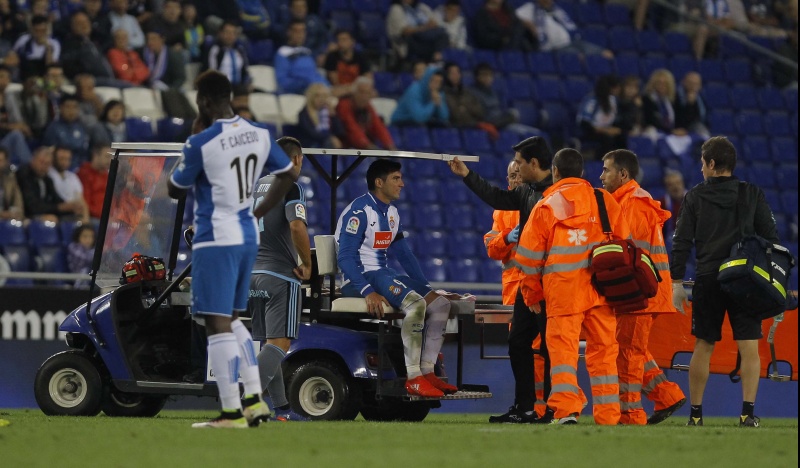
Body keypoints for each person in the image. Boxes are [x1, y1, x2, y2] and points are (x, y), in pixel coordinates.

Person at [168, 70, 298, 429]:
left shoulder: (202, 142)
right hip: (246, 236)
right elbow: (287, 173)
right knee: (234, 319)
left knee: (215, 321)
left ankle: (231, 413)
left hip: (215, 236)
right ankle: (254, 402)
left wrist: (194, 137)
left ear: (205, 102)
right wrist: (257, 211)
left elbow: (174, 189)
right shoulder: (258, 134)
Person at [670, 136, 778, 427]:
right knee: (749, 347)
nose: (701, 169)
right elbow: (771, 240)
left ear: (712, 164)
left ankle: (695, 416)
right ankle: (747, 414)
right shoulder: (752, 193)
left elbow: (681, 242)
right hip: (745, 280)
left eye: (703, 163)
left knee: (703, 345)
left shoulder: (694, 197)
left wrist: (676, 281)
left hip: (708, 279)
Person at [515, 148, 628, 425]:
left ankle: (566, 411)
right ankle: (609, 416)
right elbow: (624, 241)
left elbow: (529, 258)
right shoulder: (604, 201)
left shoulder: (547, 204)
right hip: (602, 291)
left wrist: (531, 293)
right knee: (604, 355)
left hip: (563, 293)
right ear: (581, 172)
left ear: (555, 171)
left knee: (563, 354)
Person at [447, 136, 553, 423]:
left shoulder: (556, 195)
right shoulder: (527, 194)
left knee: (549, 347)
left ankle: (554, 409)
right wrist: (467, 175)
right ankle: (526, 407)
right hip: (525, 284)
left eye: (519, 164)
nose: (515, 171)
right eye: (512, 168)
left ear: (533, 163)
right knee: (520, 343)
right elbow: (495, 198)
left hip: (552, 284)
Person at [335, 158, 457, 398]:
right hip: (360, 280)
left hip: (383, 274)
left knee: (441, 304)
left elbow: (404, 254)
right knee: (416, 304)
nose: (402, 184)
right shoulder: (359, 211)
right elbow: (345, 258)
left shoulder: (392, 213)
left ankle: (427, 371)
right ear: (379, 182)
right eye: (396, 178)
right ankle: (414, 378)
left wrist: (428, 288)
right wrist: (367, 290)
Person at [599, 149, 687, 425]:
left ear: (623, 174)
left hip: (639, 292)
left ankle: (631, 413)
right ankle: (666, 395)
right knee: (630, 350)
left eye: (606, 170)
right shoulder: (627, 201)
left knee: (628, 354)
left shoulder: (634, 204)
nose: (601, 176)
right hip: (638, 291)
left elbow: (628, 254)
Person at [249, 136, 312, 422]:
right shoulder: (291, 185)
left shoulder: (256, 186)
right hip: (278, 275)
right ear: (296, 158)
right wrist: (307, 264)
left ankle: (282, 410)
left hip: (253, 274)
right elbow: (297, 226)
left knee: (268, 345)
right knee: (280, 344)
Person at [515, 0, 612, 57]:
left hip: (573, 42)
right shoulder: (531, 8)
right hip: (556, 48)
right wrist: (530, 25)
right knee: (579, 57)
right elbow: (515, 17)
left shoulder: (557, 10)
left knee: (606, 54)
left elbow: (570, 25)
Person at [16, 146, 83, 222]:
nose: (44, 166)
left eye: (47, 164)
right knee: (51, 220)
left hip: (44, 213)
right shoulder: (24, 175)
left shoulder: (47, 179)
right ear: (33, 160)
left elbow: (56, 199)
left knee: (75, 219)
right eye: (41, 162)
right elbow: (32, 206)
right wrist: (59, 207)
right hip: (26, 216)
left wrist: (71, 207)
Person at [336, 76, 396, 150]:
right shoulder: (344, 105)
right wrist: (370, 147)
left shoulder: (368, 107)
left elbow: (378, 126)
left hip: (361, 146)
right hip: (345, 147)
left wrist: (390, 145)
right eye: (362, 92)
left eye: (368, 93)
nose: (364, 96)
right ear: (354, 92)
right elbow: (351, 128)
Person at [274, 19, 329, 95]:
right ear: (289, 32)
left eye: (303, 31)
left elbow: (315, 74)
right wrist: (304, 84)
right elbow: (282, 81)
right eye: (297, 31)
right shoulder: (283, 52)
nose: (300, 35)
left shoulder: (307, 51)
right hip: (300, 93)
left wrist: (326, 86)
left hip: (317, 90)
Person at [577, 74, 624, 158]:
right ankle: (601, 164)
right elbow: (584, 122)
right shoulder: (593, 100)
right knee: (606, 140)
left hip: (606, 130)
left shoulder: (614, 100)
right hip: (590, 131)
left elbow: (617, 119)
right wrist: (604, 130)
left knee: (622, 137)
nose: (619, 90)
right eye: (617, 87)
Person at [204, 20, 252, 93]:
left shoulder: (240, 50)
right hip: (222, 87)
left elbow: (245, 71)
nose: (230, 36)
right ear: (220, 33)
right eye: (227, 32)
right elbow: (212, 73)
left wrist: (248, 83)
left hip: (239, 87)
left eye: (233, 33)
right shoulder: (215, 50)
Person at [43, 94, 91, 164]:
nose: (71, 110)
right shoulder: (53, 128)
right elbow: (50, 151)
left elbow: (84, 152)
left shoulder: (82, 128)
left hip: (80, 167)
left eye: (74, 107)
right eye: (68, 107)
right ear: (61, 108)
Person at [0, 64, 33, 165]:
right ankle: (31, 168)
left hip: (6, 141)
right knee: (16, 135)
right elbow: (14, 126)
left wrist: (22, 127)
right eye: (1, 76)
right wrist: (11, 127)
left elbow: (19, 122)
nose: (4, 80)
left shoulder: (10, 98)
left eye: (7, 77)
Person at [48, 146, 89, 223]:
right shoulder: (48, 174)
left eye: (67, 159)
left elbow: (81, 201)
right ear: (54, 158)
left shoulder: (73, 177)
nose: (64, 162)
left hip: (74, 214)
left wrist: (86, 220)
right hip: (57, 213)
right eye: (61, 159)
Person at [12, 14, 60, 80]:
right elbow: (13, 57)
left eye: (43, 30)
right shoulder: (23, 40)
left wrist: (48, 48)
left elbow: (51, 66)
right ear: (32, 30)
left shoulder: (54, 43)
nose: (40, 33)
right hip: (24, 75)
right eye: (37, 31)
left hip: (43, 76)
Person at [296, 82, 342, 149]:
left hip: (327, 146)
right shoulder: (303, 114)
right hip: (311, 148)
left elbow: (340, 132)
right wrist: (330, 137)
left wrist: (333, 116)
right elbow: (313, 134)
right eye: (317, 96)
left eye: (324, 96)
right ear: (311, 97)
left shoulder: (328, 112)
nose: (321, 98)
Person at [77, 144, 111, 220]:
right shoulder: (84, 173)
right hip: (94, 218)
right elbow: (85, 202)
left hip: (107, 217)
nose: (109, 160)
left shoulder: (107, 175)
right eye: (107, 156)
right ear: (96, 155)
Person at [674, 71, 710, 138]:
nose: (693, 86)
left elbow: (704, 118)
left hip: (697, 128)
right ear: (684, 82)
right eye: (690, 83)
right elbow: (681, 118)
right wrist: (690, 105)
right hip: (680, 129)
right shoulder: (676, 96)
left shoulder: (701, 99)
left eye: (696, 84)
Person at [658, 168, 687, 238]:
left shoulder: (695, 201)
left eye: (678, 183)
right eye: (671, 185)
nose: (676, 187)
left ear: (683, 184)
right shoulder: (661, 205)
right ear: (666, 188)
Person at [66, 223, 95, 288]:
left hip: (90, 279)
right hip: (76, 278)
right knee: (85, 270)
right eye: (85, 236)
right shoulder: (73, 247)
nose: (88, 240)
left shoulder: (92, 249)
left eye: (91, 237)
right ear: (78, 237)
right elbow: (87, 259)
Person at [0, 145, 24, 220]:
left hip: (6, 219)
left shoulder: (10, 179)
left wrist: (17, 213)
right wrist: (2, 214)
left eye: (0, 161)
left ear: (6, 162)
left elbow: (18, 202)